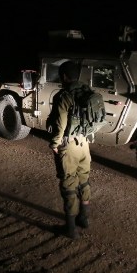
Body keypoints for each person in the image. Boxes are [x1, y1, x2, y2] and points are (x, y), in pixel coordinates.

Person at [48, 61, 92, 240]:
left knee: (68, 185)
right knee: (84, 181)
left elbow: (61, 125)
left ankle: (71, 229)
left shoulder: (63, 96)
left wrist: (54, 144)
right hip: (85, 144)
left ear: (64, 76)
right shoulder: (87, 92)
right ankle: (84, 218)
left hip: (69, 146)